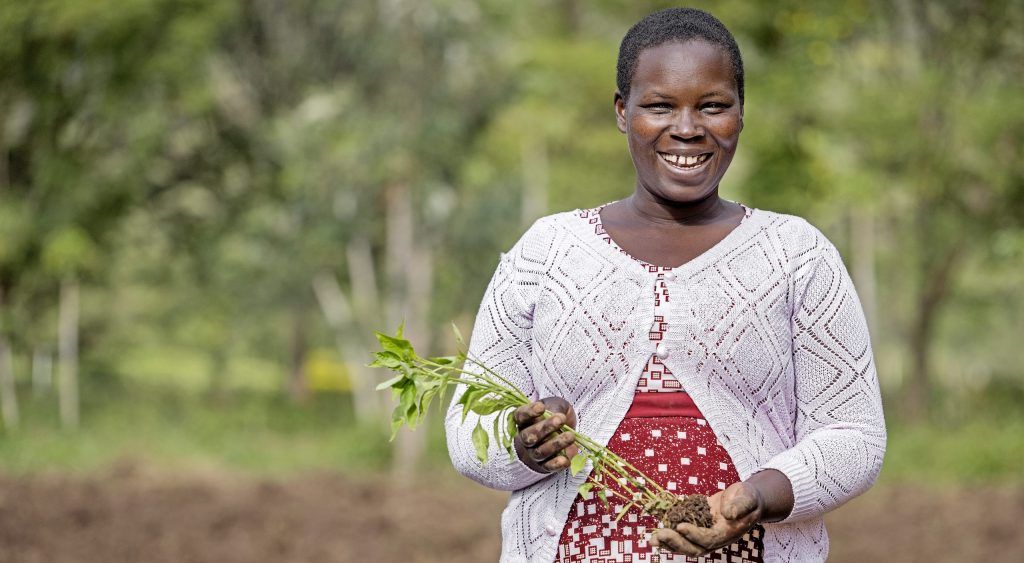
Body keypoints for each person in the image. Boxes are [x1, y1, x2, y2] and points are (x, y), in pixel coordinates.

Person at [445, 7, 886, 563]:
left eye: (713, 106)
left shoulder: (796, 256)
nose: (687, 128)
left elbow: (854, 436)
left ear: (740, 114)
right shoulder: (547, 253)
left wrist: (757, 496)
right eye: (659, 106)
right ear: (622, 112)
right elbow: (468, 427)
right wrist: (523, 443)